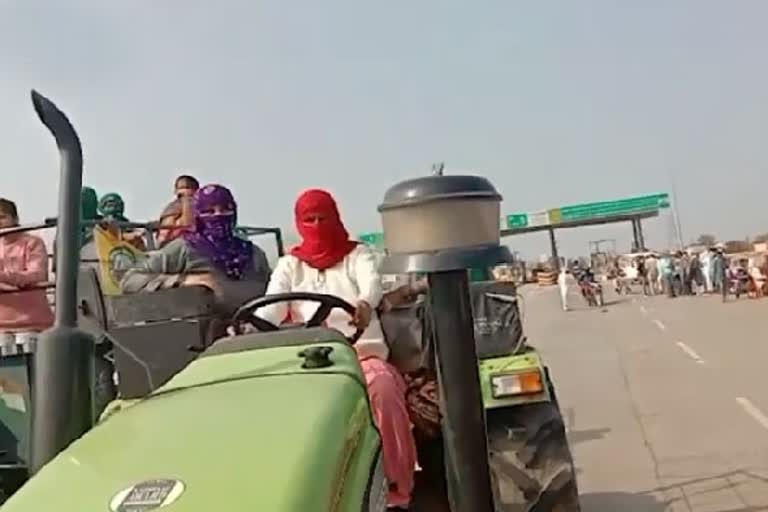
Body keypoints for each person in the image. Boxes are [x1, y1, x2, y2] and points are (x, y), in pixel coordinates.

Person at [254, 189, 416, 509]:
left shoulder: (357, 255)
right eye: (309, 220)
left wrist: (365, 304)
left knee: (382, 388)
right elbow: (272, 305)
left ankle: (396, 489)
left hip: (360, 358)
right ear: (299, 224)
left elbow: (371, 284)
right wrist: (255, 322)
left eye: (322, 218)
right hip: (309, 362)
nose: (316, 225)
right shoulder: (290, 265)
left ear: (335, 218)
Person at [120, 184, 271, 318]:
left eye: (225, 209)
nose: (218, 216)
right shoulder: (185, 248)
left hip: (256, 333)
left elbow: (275, 296)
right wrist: (183, 280)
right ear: (197, 215)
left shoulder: (253, 253)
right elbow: (130, 280)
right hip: (205, 339)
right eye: (209, 211)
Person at [0, 199, 54, 333]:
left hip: (34, 323)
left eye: (2, 217)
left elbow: (37, 275)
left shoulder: (33, 243)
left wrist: (4, 277)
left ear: (15, 218)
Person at [157, 175, 200, 247]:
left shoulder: (202, 206)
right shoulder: (173, 207)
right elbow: (165, 231)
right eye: (181, 188)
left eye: (187, 187)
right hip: (173, 243)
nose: (184, 191)